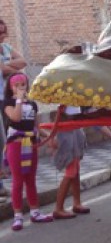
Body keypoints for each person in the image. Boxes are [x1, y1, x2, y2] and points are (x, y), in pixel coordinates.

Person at [3, 73, 54, 230]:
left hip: (31, 143)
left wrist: (50, 137)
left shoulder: (32, 104)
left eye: (23, 84)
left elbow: (36, 126)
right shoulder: (8, 103)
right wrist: (18, 99)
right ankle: (18, 216)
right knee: (18, 180)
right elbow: (16, 118)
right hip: (16, 144)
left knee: (30, 179)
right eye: (17, 85)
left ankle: (35, 212)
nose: (21, 87)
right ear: (11, 87)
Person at [0, 19, 26, 198]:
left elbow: (23, 61)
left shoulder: (6, 48)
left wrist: (7, 68)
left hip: (6, 97)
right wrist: (11, 68)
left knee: (10, 137)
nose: (2, 35)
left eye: (3, 31)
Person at [50, 106, 90, 219]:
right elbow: (58, 109)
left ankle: (77, 203)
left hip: (75, 122)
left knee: (76, 166)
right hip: (65, 123)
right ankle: (59, 208)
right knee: (71, 169)